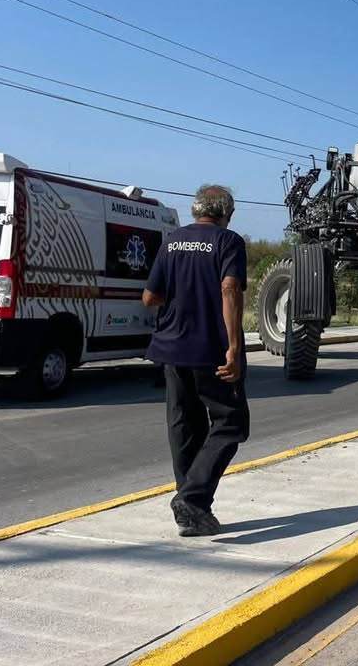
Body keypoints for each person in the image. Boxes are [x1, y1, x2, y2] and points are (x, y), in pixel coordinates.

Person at [142, 184, 250, 537]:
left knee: (185, 427)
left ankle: (192, 509)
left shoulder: (172, 241)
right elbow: (230, 289)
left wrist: (182, 299)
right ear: (227, 213)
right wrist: (233, 348)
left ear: (195, 210)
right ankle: (191, 499)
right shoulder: (228, 242)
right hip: (211, 350)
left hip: (171, 349)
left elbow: (150, 297)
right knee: (231, 423)